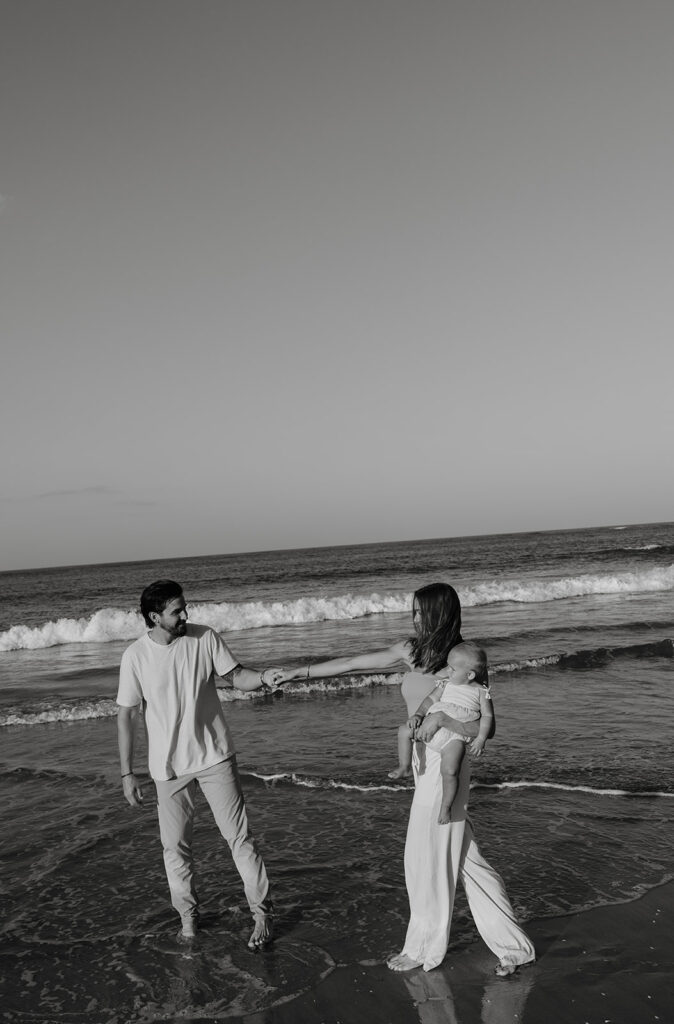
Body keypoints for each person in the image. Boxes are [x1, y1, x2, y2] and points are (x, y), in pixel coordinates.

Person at [278, 582, 535, 975]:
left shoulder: (467, 661)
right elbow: (351, 664)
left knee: (423, 853)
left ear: (439, 614)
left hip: (449, 764)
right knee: (466, 859)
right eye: (412, 611)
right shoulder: (410, 650)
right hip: (421, 762)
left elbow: (488, 729)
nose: (414, 618)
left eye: (420, 612)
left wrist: (447, 720)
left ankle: (424, 947)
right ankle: (514, 946)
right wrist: (300, 671)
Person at [117, 579, 281, 947]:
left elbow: (237, 676)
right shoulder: (135, 657)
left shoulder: (204, 638)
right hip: (167, 769)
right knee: (175, 850)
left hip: (215, 756)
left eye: (185, 607)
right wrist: (127, 773)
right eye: (176, 611)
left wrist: (264, 678)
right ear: (154, 616)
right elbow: (126, 715)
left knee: (239, 839)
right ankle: (188, 919)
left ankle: (262, 915)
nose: (185, 616)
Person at [389, 641, 493, 825]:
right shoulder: (445, 684)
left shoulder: (481, 692)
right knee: (403, 730)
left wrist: (481, 738)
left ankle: (445, 808)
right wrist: (418, 714)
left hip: (455, 738)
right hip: (430, 728)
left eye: (452, 669)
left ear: (469, 675)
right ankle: (404, 766)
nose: (447, 671)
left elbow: (487, 717)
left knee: (450, 770)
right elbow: (430, 700)